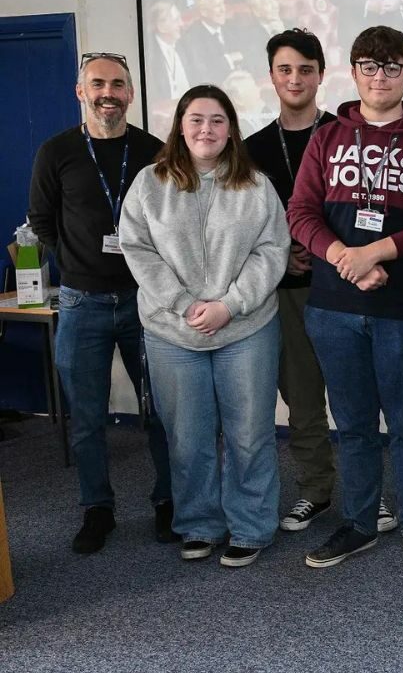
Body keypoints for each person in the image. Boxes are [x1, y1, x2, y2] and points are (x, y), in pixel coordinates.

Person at [288, 25, 403, 571]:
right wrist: (347, 258)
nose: (379, 77)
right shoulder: (327, 137)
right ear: (353, 71)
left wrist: (376, 253)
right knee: (354, 425)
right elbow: (300, 213)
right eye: (369, 65)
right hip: (334, 310)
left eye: (391, 67)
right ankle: (360, 524)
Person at [120, 84, 290, 567]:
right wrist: (182, 303)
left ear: (231, 129)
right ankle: (199, 524)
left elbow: (272, 250)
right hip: (172, 332)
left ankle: (251, 527)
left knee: (249, 434)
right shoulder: (149, 183)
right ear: (180, 126)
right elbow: (137, 248)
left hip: (246, 328)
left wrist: (229, 306)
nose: (206, 129)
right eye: (196, 119)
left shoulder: (255, 185)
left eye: (217, 120)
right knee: (188, 437)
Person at [27, 51, 175, 554]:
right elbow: (41, 218)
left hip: (144, 303)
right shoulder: (57, 152)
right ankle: (97, 508)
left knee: (161, 411)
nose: (107, 93)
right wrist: (73, 261)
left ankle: (168, 501)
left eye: (116, 84)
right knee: (87, 418)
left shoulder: (154, 151)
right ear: (81, 92)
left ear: (130, 93)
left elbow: (170, 222)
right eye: (97, 84)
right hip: (81, 304)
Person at [244, 29, 340, 533]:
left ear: (321, 74)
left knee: (355, 399)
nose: (295, 78)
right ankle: (316, 490)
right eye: (285, 69)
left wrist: (323, 253)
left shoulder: (348, 134)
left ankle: (366, 492)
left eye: (306, 69)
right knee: (303, 401)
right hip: (284, 292)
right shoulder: (251, 149)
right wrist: (283, 259)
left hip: (343, 289)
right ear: (272, 76)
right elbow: (242, 227)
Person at [181, 0, 244, 87]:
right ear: (203, 12)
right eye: (217, 6)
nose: (223, 9)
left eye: (223, 4)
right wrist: (229, 59)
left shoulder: (232, 27)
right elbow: (202, 74)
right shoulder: (191, 38)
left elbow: (248, 60)